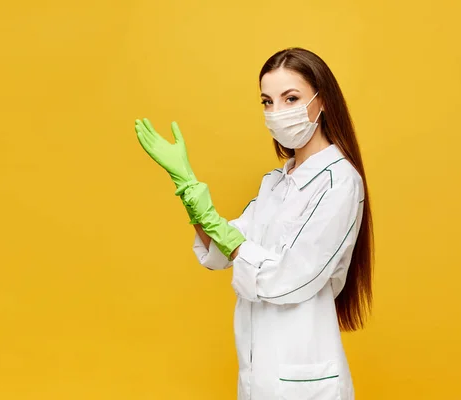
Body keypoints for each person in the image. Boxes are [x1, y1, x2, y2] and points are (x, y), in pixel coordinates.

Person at [135, 47, 374, 400]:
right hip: (257, 376)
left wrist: (219, 226)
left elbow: (288, 278)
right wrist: (187, 187)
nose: (276, 112)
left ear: (322, 102)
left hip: (303, 380)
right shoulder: (275, 183)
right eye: (267, 102)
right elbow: (221, 251)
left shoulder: (339, 181)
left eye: (290, 98)